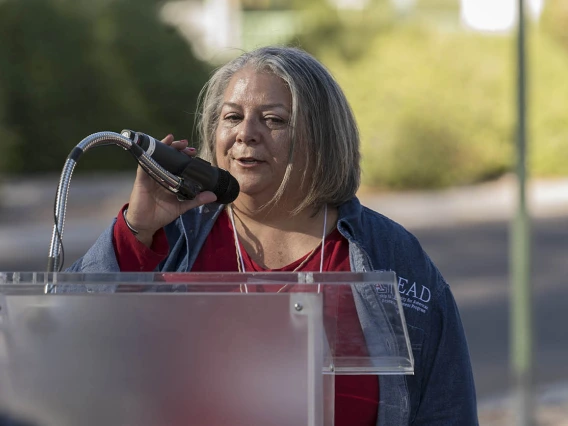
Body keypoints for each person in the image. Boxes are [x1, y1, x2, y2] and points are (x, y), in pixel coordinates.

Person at [69, 46, 478, 425]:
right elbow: (59, 349)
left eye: (274, 120)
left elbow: (445, 410)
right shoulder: (168, 239)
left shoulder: (390, 254)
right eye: (232, 117)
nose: (246, 133)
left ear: (322, 139)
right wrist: (136, 234)